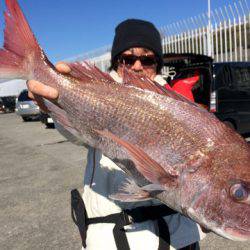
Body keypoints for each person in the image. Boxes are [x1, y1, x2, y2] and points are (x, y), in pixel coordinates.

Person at [27, 19, 206, 250]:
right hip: (113, 241)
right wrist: (54, 104)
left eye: (148, 59)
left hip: (179, 239)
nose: (138, 66)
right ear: (117, 62)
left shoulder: (177, 105)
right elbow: (75, 134)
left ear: (158, 64)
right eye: (128, 58)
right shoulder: (99, 98)